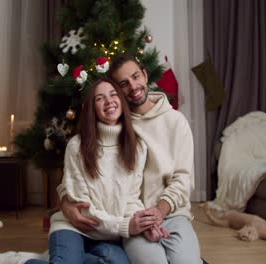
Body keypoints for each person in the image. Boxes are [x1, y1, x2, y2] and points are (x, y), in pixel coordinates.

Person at [61, 55, 202, 263]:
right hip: (133, 218)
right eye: (124, 84)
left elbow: (183, 179)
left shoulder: (176, 122)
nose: (133, 87)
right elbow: (80, 167)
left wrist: (160, 211)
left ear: (145, 75)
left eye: (136, 77)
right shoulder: (116, 124)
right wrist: (66, 202)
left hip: (172, 214)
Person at [27, 78, 168, 264]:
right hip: (73, 227)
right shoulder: (76, 146)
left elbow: (130, 199)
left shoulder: (137, 147)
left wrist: (143, 223)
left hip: (109, 234)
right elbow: (83, 212)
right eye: (100, 98)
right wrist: (127, 226)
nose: (109, 101)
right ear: (92, 108)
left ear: (122, 101)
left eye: (113, 95)